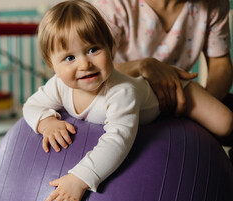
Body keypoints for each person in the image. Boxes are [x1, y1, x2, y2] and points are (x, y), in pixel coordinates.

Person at [23, 0, 233, 201]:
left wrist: (80, 178)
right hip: (144, 81)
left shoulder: (121, 93)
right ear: (52, 65)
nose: (84, 64)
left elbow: (117, 140)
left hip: (178, 91)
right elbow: (32, 105)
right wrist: (46, 121)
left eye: (93, 50)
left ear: (110, 47)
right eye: (69, 58)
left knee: (225, 123)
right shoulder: (58, 85)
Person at [91, 0, 233, 150]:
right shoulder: (110, 4)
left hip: (177, 96)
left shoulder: (213, 4)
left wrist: (202, 105)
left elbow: (220, 63)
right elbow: (90, 67)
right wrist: (140, 66)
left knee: (225, 121)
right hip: (123, 95)